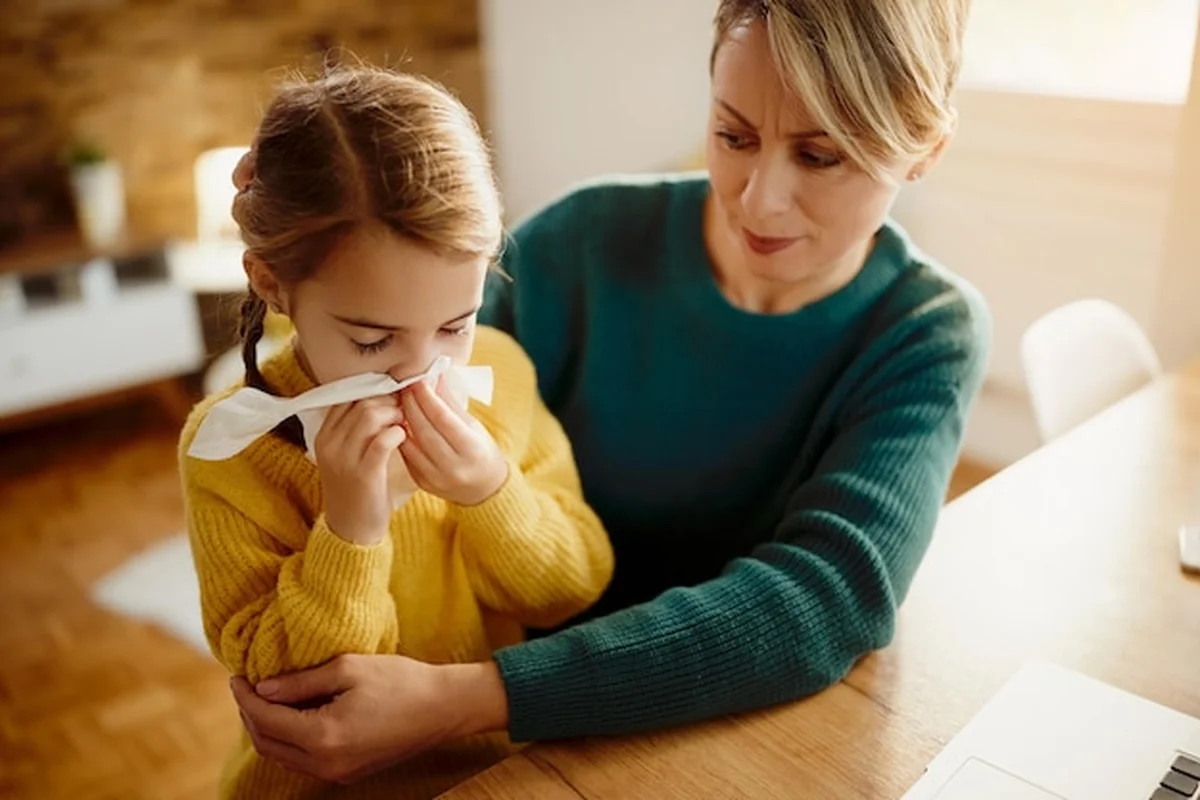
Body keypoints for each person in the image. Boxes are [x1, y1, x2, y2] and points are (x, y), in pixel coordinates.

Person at [231, 0, 991, 784]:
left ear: (926, 147)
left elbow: (826, 598)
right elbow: (359, 356)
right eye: (733, 135)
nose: (759, 199)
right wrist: (302, 225)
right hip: (522, 751)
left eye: (821, 156)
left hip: (728, 730)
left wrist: (467, 698)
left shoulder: (925, 331)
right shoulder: (578, 242)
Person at [179, 66, 614, 799]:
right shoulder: (231, 446)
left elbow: (574, 587)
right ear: (271, 284)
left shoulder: (500, 375)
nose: (420, 373)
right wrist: (350, 530)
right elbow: (283, 693)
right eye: (373, 342)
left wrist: (491, 491)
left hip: (496, 769)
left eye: (455, 325)